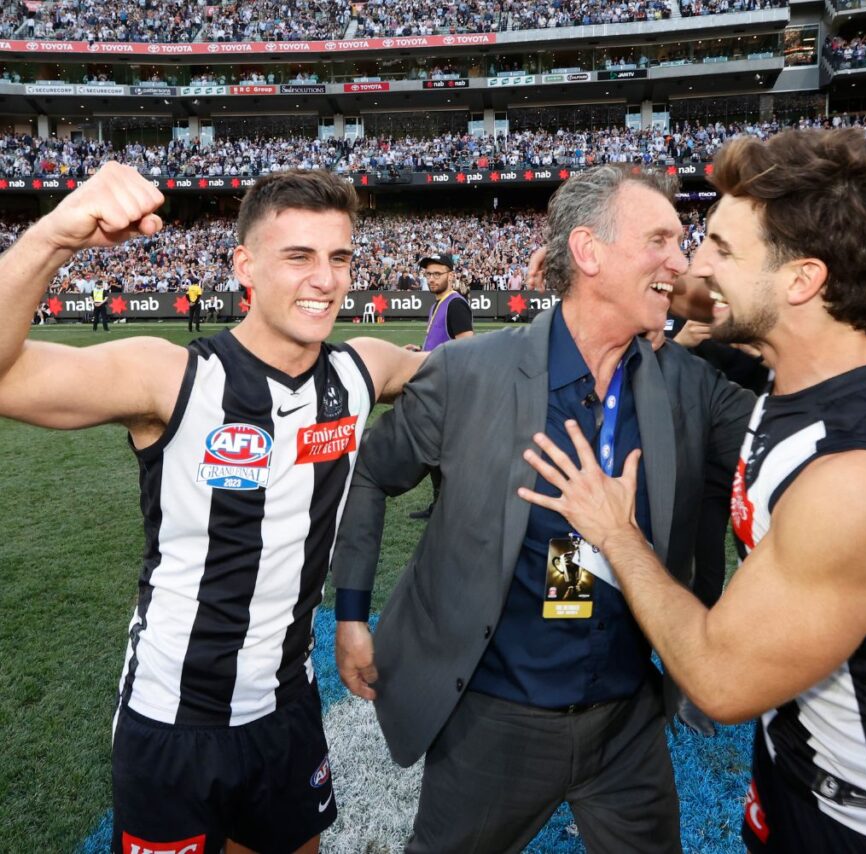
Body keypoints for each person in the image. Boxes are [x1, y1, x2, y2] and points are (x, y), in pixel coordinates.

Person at [517, 129, 866, 853]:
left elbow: (719, 680)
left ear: (801, 281)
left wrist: (614, 532)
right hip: (797, 787)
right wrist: (576, 267)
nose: (693, 264)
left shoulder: (861, 472)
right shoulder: (798, 382)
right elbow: (687, 292)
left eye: (718, 247)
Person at [0, 163, 425, 854]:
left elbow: (459, 368)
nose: (325, 278)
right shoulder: (172, 377)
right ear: (244, 265)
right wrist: (54, 235)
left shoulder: (360, 370)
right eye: (298, 256)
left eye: (339, 257)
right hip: (173, 722)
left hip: (288, 708)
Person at [332, 163, 755, 854]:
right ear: (588, 252)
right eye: (660, 240)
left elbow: (815, 441)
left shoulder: (688, 384)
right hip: (491, 722)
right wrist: (350, 614)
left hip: (626, 721)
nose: (680, 261)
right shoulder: (469, 374)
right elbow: (371, 477)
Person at [405, 252, 474, 519]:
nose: (431, 279)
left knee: (446, 453)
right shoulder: (437, 305)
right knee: (435, 451)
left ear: (451, 275)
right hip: (435, 386)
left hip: (450, 389)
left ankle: (451, 509)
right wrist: (421, 352)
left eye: (437, 274)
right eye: (428, 274)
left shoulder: (455, 304)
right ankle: (439, 506)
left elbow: (467, 347)